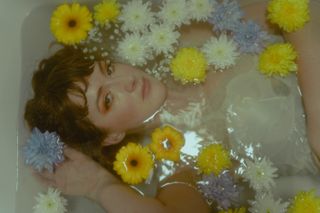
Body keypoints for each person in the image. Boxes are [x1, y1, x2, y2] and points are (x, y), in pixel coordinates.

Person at [24, 0, 320, 212]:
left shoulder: (187, 38)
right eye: (107, 100)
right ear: (111, 137)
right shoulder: (177, 165)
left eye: (109, 70)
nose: (126, 81)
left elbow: (293, 10)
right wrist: (99, 186)